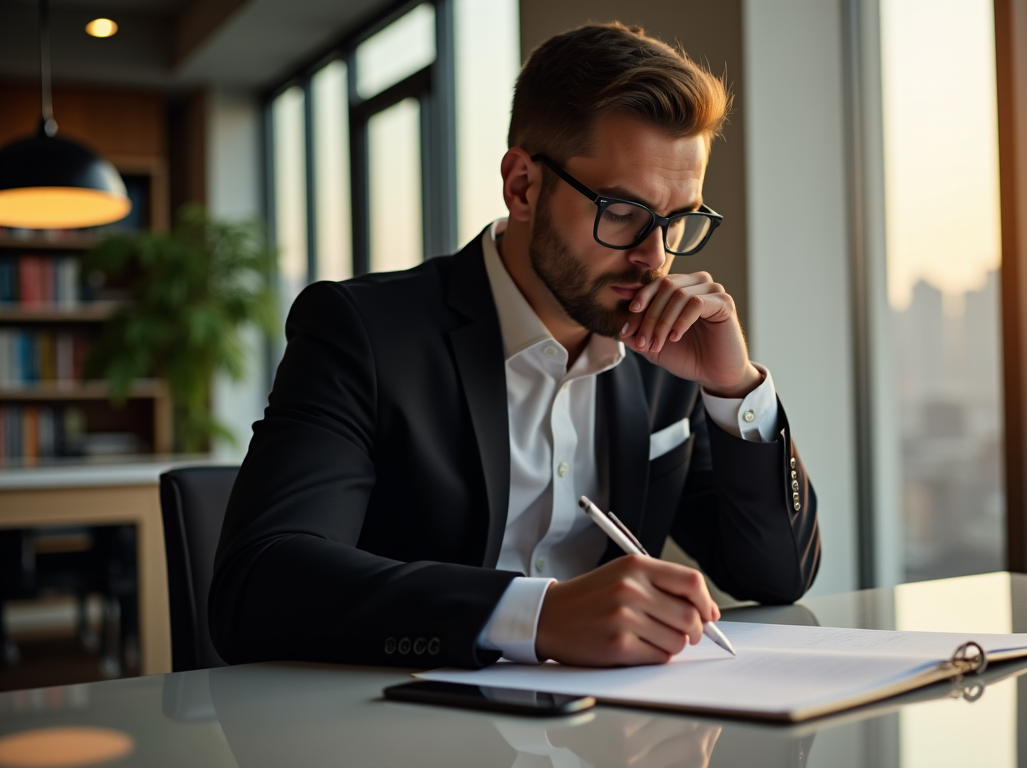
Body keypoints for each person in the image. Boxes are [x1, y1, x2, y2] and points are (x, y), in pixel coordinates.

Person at [210, 21, 819, 671]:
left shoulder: (664, 357)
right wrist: (535, 616)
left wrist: (733, 389)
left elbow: (777, 576)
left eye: (678, 220)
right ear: (522, 185)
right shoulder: (363, 333)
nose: (655, 257)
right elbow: (259, 584)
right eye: (621, 212)